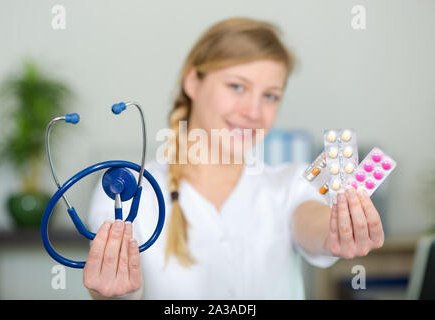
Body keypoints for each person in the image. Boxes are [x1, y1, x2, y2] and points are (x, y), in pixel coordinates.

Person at [83, 17, 385, 299]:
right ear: (193, 82)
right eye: (237, 86)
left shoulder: (289, 183)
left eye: (270, 95)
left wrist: (337, 230)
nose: (254, 112)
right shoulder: (126, 186)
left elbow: (313, 224)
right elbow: (119, 287)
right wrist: (114, 294)